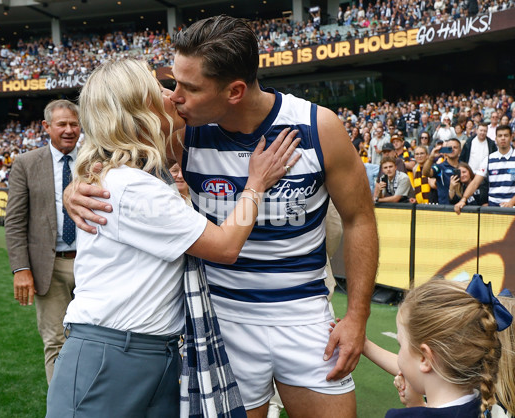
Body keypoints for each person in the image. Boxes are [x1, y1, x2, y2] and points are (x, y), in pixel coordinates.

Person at [65, 15, 378, 418]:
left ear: (234, 90)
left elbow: (359, 220)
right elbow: (111, 133)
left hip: (303, 316)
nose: (174, 97)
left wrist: (356, 316)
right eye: (172, 82)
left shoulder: (319, 128)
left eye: (188, 88)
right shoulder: (183, 130)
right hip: (221, 319)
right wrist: (77, 185)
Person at [46, 58, 300, 418]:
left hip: (147, 351)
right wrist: (255, 186)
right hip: (113, 355)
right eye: (161, 90)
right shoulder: (132, 186)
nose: (174, 96)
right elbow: (225, 246)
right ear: (140, 109)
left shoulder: (130, 178)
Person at [4, 99, 81, 383]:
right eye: (62, 124)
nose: (69, 130)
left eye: (74, 123)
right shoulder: (26, 163)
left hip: (93, 264)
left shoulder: (94, 159)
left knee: (98, 339)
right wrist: (21, 269)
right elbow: (14, 221)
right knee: (56, 342)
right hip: (49, 268)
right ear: (46, 127)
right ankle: (61, 409)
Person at [360, 275, 512, 417]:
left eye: (400, 345)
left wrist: (414, 409)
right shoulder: (485, 405)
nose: (399, 353)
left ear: (425, 358)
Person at [455, 125, 515, 213]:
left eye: (506, 135)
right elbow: (475, 183)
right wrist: (464, 199)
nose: (503, 138)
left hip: (512, 209)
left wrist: (511, 203)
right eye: (500, 136)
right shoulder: (488, 159)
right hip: (493, 208)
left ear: (511, 137)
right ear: (496, 139)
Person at [423, 138, 462, 205]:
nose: (452, 149)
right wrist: (431, 157)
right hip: (444, 208)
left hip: (462, 208)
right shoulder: (440, 167)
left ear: (460, 151)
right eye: (449, 148)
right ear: (445, 150)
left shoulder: (464, 167)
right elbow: (426, 173)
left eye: (455, 147)